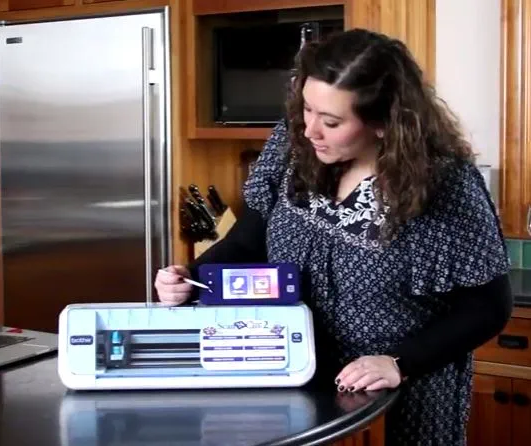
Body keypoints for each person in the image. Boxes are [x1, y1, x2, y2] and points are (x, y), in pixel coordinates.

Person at [155, 28, 513, 445]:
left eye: (331, 121)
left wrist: (399, 362)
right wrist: (192, 277)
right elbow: (248, 240)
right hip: (293, 375)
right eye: (307, 109)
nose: (310, 130)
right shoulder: (295, 145)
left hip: (400, 393)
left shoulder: (444, 183)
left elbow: (487, 307)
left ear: (383, 123)